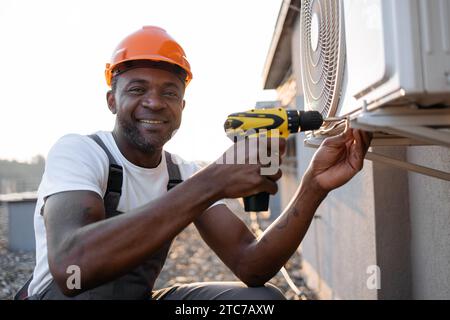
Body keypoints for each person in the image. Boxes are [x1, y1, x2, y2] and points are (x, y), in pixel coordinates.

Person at [24, 26, 371, 300]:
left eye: (170, 92)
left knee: (261, 300)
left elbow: (251, 265)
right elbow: (73, 268)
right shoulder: (81, 152)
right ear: (112, 101)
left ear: (182, 108)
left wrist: (313, 185)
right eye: (137, 89)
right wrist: (214, 180)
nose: (155, 102)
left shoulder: (181, 175)